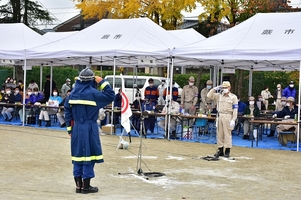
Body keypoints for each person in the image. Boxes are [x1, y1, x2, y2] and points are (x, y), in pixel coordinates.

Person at [64, 67, 115, 194]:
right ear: (92, 80)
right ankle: (86, 187)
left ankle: (78, 186)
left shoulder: (73, 94)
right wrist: (102, 82)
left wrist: (70, 130)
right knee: (89, 155)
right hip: (90, 126)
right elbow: (111, 95)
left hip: (76, 127)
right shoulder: (94, 94)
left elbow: (67, 112)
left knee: (77, 155)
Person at [207, 81, 238, 157]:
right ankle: (220, 149)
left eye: (226, 87)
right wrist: (214, 89)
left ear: (229, 87)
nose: (224, 89)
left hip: (228, 116)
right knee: (219, 133)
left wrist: (233, 119)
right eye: (223, 87)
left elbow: (235, 109)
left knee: (227, 134)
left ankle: (227, 150)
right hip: (220, 115)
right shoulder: (219, 95)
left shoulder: (233, 97)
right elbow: (209, 95)